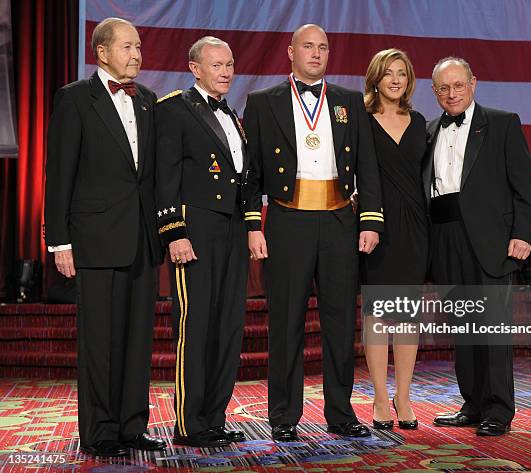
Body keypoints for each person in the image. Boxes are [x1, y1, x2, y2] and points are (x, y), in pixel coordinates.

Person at [243, 24, 384, 441]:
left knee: (340, 324)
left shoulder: (348, 101)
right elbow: (250, 173)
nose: (317, 53)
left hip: (340, 218)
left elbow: (368, 166)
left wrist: (370, 220)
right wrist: (254, 223)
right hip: (287, 219)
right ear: (290, 52)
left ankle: (341, 414)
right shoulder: (262, 102)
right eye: (308, 46)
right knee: (285, 322)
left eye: (323, 47)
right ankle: (284, 417)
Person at [44, 18, 165, 457]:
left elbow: (149, 178)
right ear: (102, 52)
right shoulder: (75, 99)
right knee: (100, 342)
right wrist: (59, 242)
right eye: (128, 46)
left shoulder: (148, 101)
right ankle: (99, 432)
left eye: (139, 46)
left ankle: (133, 425)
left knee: (137, 340)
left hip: (141, 241)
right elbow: (58, 174)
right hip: (94, 241)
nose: (137, 54)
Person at [424, 57, 531, 436]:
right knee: (463, 327)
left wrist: (523, 234)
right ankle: (472, 403)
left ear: (473, 84)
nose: (452, 93)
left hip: (491, 241)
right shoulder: (427, 130)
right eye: (444, 87)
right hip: (445, 237)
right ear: (435, 91)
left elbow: (524, 185)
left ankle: (499, 410)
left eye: (458, 85)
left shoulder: (503, 123)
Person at [155, 36, 248, 448]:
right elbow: (165, 176)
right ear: (195, 68)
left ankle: (214, 416)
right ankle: (190, 422)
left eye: (229, 64)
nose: (226, 71)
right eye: (216, 65)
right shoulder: (175, 109)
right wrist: (174, 231)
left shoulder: (233, 114)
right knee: (195, 325)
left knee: (227, 324)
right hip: (196, 228)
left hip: (231, 230)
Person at [361, 49, 428, 430]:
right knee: (379, 315)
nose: (396, 80)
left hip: (415, 227)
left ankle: (403, 397)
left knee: (405, 316)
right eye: (388, 73)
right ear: (376, 79)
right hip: (376, 225)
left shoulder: (420, 122)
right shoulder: (363, 121)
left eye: (402, 73)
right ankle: (380, 399)